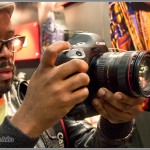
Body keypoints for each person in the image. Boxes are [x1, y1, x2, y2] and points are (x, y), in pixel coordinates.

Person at [0, 2, 145, 148]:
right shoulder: (32, 102)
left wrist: (115, 124)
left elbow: (86, 145)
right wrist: (27, 121)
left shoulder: (25, 94)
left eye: (9, 41)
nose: (6, 53)